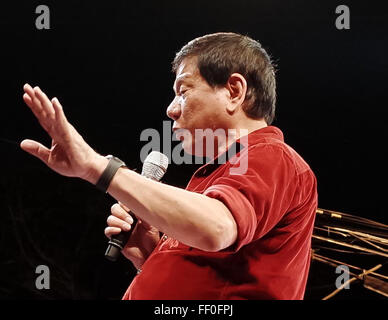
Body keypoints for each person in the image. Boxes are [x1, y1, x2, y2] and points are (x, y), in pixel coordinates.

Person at [20, 32, 317, 300]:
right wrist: (151, 257)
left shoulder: (272, 155)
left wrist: (97, 168)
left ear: (234, 91)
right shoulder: (214, 179)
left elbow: (216, 229)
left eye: (183, 91)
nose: (171, 109)